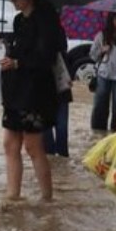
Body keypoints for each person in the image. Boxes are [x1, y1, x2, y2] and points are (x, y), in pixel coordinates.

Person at [0, 0, 64, 202]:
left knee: (33, 146)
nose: (12, 0)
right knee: (10, 143)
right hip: (16, 90)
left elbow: (46, 57)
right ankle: (12, 196)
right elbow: (16, 43)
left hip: (35, 92)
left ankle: (47, 199)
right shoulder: (19, 20)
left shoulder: (45, 20)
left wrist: (17, 62)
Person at [89, 12, 116, 132]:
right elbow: (92, 56)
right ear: (111, 20)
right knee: (100, 105)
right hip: (103, 75)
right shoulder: (101, 36)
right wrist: (102, 50)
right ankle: (98, 132)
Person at [44, 25, 72, 158]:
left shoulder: (42, 54)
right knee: (60, 127)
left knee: (49, 126)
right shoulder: (63, 53)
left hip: (50, 93)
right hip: (59, 92)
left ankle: (53, 155)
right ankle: (61, 157)